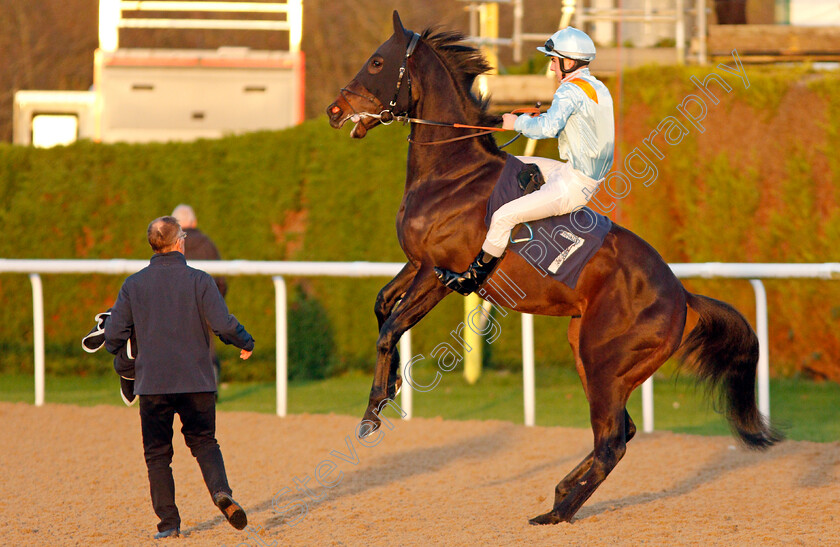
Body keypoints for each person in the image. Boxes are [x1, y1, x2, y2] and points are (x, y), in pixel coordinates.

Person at [105, 216, 255, 539]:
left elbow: (113, 337)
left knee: (157, 455)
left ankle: (168, 525)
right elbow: (224, 324)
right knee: (204, 442)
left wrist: (124, 358)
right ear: (178, 243)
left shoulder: (132, 285)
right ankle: (220, 492)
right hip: (197, 382)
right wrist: (245, 341)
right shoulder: (201, 281)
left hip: (153, 385)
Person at [435, 26, 615, 295]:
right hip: (572, 172)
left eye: (554, 61)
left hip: (573, 184)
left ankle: (472, 279)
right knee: (508, 163)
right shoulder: (596, 86)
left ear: (569, 62)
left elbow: (548, 129)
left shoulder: (570, 91)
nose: (552, 68)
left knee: (503, 217)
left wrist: (515, 122)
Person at [171, 204, 227, 387]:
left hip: (175, 308)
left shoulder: (168, 245)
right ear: (194, 222)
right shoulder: (208, 245)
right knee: (206, 345)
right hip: (205, 307)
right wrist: (216, 304)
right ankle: (211, 383)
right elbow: (221, 281)